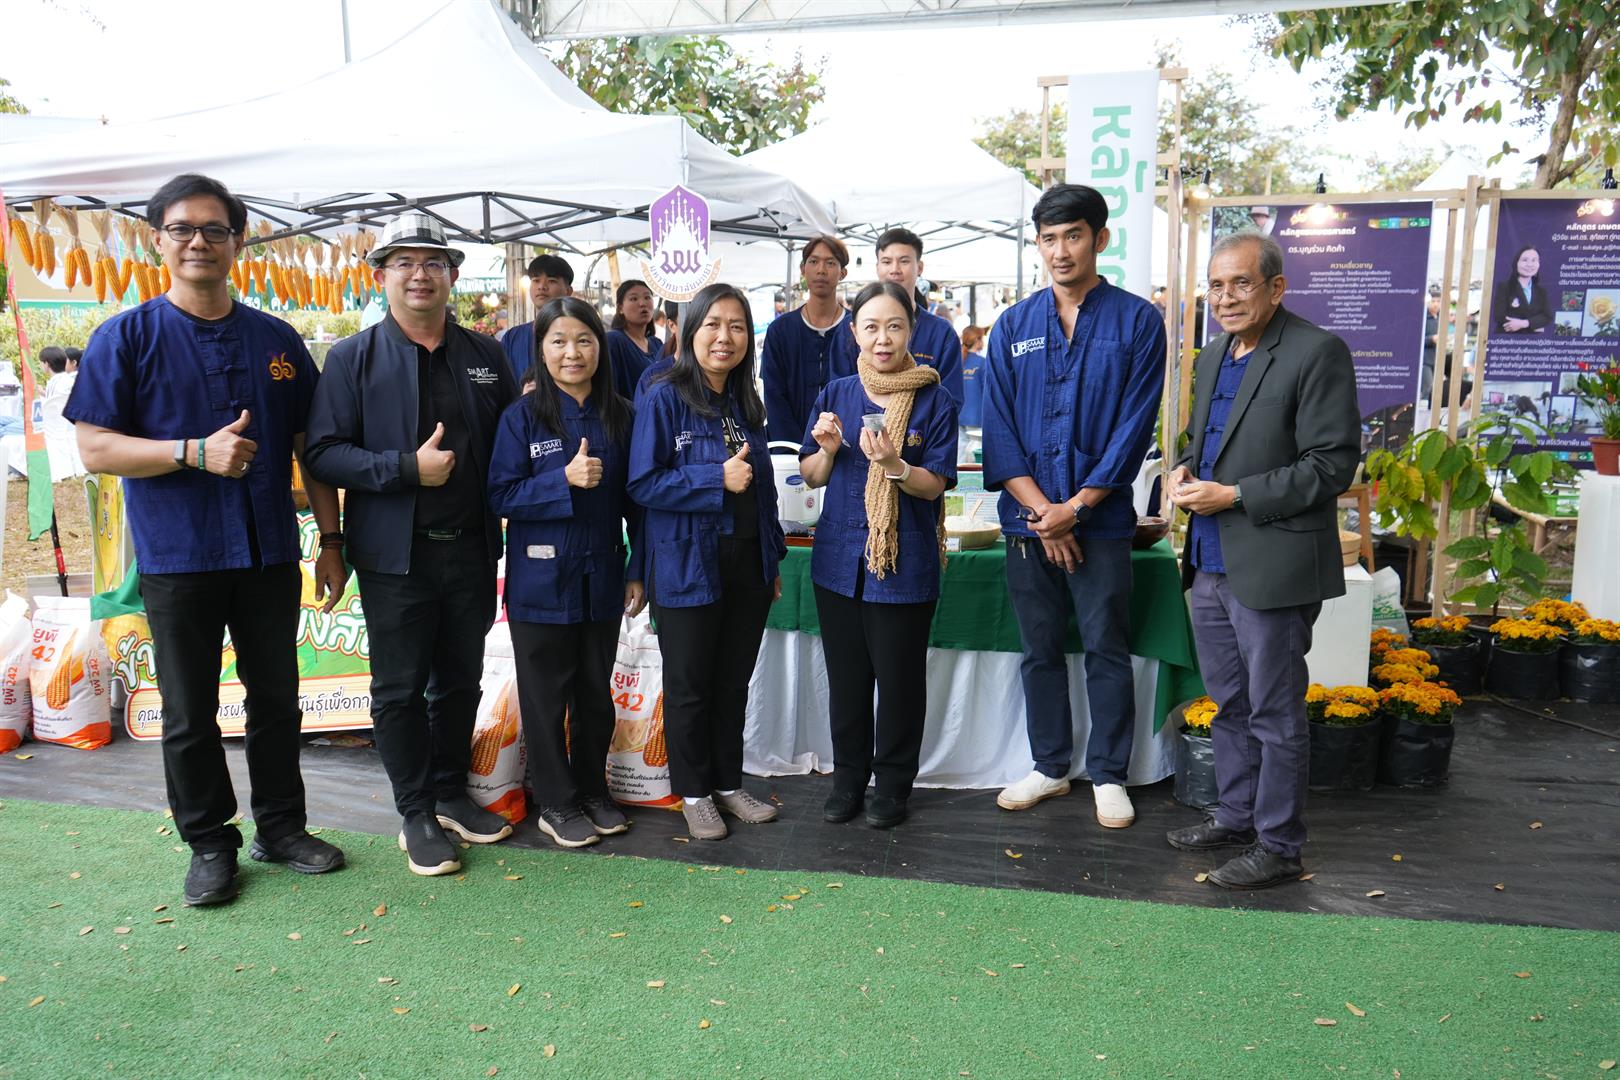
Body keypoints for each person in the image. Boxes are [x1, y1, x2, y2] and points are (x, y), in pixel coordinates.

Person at [66, 172, 347, 906]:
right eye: (182, 229)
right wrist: (193, 451)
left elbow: (309, 447)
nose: (199, 241)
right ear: (157, 240)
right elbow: (95, 448)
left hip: (268, 552)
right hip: (179, 555)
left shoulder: (276, 339)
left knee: (277, 698)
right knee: (190, 710)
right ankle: (210, 844)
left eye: (214, 229)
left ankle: (282, 828)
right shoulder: (126, 337)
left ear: (237, 241)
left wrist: (331, 538)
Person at [304, 212, 520, 877]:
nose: (419, 274)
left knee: (459, 681)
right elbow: (322, 453)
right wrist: (405, 469)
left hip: (471, 548)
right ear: (381, 276)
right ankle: (416, 810)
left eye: (432, 262)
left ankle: (451, 791)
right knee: (398, 689)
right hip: (395, 556)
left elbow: (510, 441)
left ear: (452, 275)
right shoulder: (352, 358)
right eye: (404, 262)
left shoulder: (486, 356)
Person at [1165, 231, 1360, 890]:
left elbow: (1331, 464)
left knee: (1274, 714)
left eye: (1240, 283)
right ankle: (1237, 815)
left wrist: (1236, 495)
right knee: (1229, 704)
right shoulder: (1215, 353)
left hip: (1273, 564)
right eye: (1216, 286)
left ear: (1276, 287)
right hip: (1209, 560)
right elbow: (1204, 439)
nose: (1225, 298)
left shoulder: (1316, 351)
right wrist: (1184, 468)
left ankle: (1278, 846)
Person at [981, 183, 1166, 829]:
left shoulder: (1137, 321)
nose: (1061, 250)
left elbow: (1135, 426)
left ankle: (1109, 774)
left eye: (1074, 236)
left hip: (1103, 522)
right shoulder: (1013, 326)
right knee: (1039, 649)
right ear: (1038, 245)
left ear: (1099, 239)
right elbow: (998, 427)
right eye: (1049, 238)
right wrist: (1045, 514)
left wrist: (1078, 508)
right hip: (1027, 522)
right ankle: (1050, 766)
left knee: (1106, 646)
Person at [627, 283, 786, 841]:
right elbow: (643, 482)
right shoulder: (664, 395)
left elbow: (763, 490)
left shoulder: (746, 403)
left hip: (746, 565)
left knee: (732, 682)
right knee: (691, 685)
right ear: (690, 330)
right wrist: (714, 478)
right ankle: (694, 793)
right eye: (713, 324)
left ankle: (726, 782)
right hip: (686, 563)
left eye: (737, 326)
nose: (725, 337)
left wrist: (771, 559)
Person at [798, 282, 957, 827]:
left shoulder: (935, 399)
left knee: (900, 684)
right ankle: (847, 781)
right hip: (838, 565)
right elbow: (811, 476)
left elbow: (934, 486)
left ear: (911, 331)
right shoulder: (837, 393)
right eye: (871, 327)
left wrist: (894, 465)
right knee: (846, 682)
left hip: (903, 565)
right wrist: (825, 450)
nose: (883, 338)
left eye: (894, 326)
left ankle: (892, 787)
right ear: (854, 333)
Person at [488, 297, 645, 848]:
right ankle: (556, 801)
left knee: (595, 695)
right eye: (558, 341)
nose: (572, 352)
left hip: (601, 575)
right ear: (541, 349)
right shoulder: (521, 417)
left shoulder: (623, 416)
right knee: (545, 698)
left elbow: (639, 501)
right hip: (540, 582)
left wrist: (638, 568)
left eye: (583, 339)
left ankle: (593, 790)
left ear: (601, 346)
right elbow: (501, 494)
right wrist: (562, 480)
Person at [833, 229, 963, 409]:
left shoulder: (941, 333)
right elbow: (840, 393)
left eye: (904, 261)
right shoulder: (852, 328)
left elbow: (950, 402)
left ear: (920, 267)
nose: (895, 270)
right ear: (877, 267)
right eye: (886, 262)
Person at [760, 235, 854, 441]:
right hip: (789, 448)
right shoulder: (780, 331)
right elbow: (774, 396)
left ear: (843, 273)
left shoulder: (856, 329)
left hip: (847, 445)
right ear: (803, 269)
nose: (821, 270)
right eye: (813, 261)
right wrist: (796, 448)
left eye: (830, 263)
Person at [500, 254, 574, 378]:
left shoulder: (580, 334)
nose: (542, 287)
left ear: (568, 291)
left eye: (551, 281)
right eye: (536, 280)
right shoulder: (512, 337)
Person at [606, 279, 661, 401]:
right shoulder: (613, 341)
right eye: (633, 299)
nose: (642, 303)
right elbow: (609, 391)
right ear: (620, 308)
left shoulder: (657, 343)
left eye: (647, 297)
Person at [1491, 245, 1551, 333]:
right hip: (1508, 339)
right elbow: (1499, 316)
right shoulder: (1504, 287)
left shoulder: (1542, 291)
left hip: (1535, 340)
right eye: (1525, 260)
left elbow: (1547, 317)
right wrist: (1535, 325)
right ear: (1516, 262)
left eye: (1534, 260)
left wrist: (1525, 323)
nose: (1530, 264)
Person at [958, 325, 987, 430]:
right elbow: (987, 392)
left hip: (957, 417)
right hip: (976, 419)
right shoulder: (982, 363)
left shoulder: (956, 361)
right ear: (977, 340)